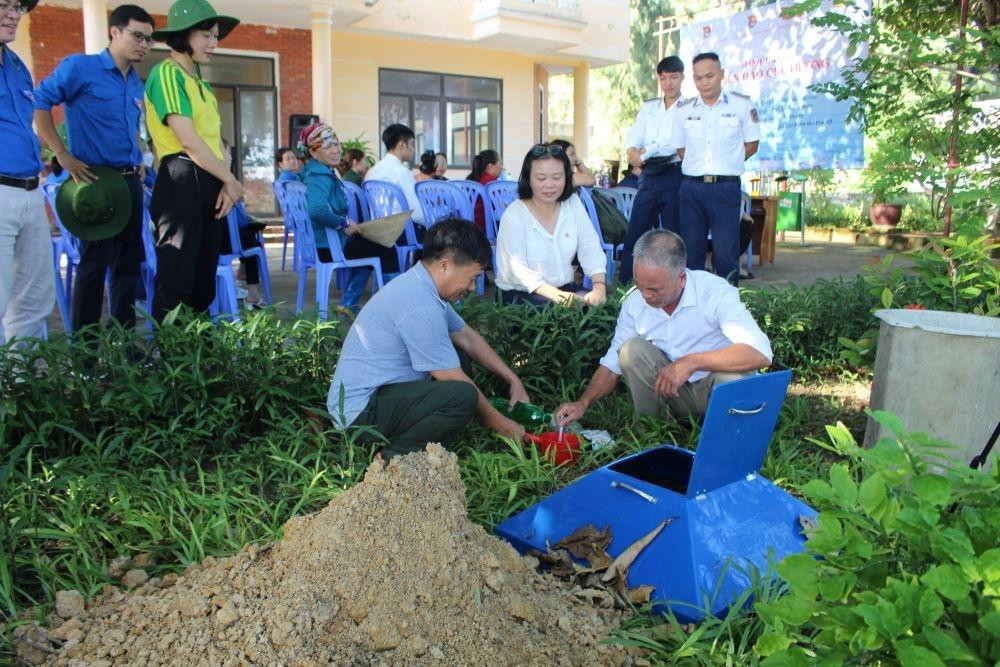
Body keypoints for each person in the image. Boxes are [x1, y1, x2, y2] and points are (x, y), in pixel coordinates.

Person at [327, 219, 530, 459]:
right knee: (463, 396)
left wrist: (513, 380)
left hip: (381, 395)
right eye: (471, 278)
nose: (473, 287)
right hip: (359, 416)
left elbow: (466, 337)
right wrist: (504, 426)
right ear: (445, 266)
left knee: (460, 359)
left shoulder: (422, 285)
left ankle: (419, 439)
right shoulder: (420, 304)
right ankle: (393, 458)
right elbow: (451, 378)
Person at [554, 229, 771, 426]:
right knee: (630, 350)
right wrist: (582, 403)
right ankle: (653, 428)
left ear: (682, 278)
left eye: (655, 289)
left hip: (714, 391)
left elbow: (760, 353)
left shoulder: (715, 293)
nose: (646, 295)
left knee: (732, 382)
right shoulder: (634, 303)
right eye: (639, 286)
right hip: (672, 394)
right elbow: (612, 365)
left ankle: (726, 434)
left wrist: (692, 362)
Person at [34, 4, 155, 334]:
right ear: (114, 32)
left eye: (149, 39)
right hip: (93, 183)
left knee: (128, 269)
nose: (144, 44)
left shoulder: (135, 84)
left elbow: (132, 127)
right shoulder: (80, 68)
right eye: (138, 36)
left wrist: (139, 155)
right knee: (92, 268)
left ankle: (123, 350)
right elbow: (39, 102)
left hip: (128, 183)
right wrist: (61, 154)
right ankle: (86, 359)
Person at [143, 0, 243, 322]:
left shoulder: (203, 84)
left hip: (209, 180)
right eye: (206, 35)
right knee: (176, 278)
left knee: (203, 281)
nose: (213, 44)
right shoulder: (167, 74)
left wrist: (225, 182)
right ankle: (172, 360)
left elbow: (215, 143)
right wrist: (230, 180)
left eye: (216, 36)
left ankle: (199, 356)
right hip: (181, 178)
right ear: (183, 35)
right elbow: (189, 141)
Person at [671, 52, 760, 286]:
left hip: (725, 187)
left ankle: (728, 309)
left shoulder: (741, 105)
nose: (704, 82)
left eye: (709, 76)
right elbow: (681, 149)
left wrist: (727, 163)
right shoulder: (684, 109)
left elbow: (752, 145)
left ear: (721, 75)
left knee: (726, 254)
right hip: (691, 189)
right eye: (698, 78)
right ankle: (693, 307)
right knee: (691, 254)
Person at [299, 122, 399, 312]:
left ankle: (349, 303)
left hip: (324, 244)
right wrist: (343, 223)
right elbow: (317, 210)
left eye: (336, 143)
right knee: (386, 246)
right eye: (327, 146)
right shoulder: (319, 176)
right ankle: (397, 305)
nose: (335, 149)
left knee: (369, 245)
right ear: (313, 152)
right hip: (330, 246)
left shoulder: (315, 172)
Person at [0, 0, 54, 345]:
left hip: (32, 191)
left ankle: (20, 392)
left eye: (18, 7)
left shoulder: (18, 65)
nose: (13, 14)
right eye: (3, 5)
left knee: (34, 301)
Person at [495, 144, 606, 307]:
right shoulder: (514, 215)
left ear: (567, 177)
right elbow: (517, 272)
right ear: (528, 178)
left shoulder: (573, 204)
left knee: (600, 313)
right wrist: (560, 297)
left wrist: (599, 287)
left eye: (557, 177)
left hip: (564, 290)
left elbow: (590, 247)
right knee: (564, 317)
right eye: (541, 178)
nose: (549, 184)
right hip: (522, 294)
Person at [618, 55, 686, 285]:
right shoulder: (650, 107)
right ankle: (626, 285)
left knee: (675, 235)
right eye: (664, 78)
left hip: (674, 172)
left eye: (673, 77)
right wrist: (631, 151)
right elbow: (635, 132)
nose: (668, 83)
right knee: (636, 231)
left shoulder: (689, 108)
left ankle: (676, 286)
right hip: (649, 175)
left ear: (682, 78)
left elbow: (673, 142)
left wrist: (642, 153)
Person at [365, 123, 425, 227]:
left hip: (379, 230)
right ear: (402, 145)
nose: (414, 150)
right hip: (403, 232)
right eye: (412, 144)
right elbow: (418, 215)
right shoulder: (402, 172)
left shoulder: (373, 171)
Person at [465, 148, 502, 230]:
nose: (501, 167)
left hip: (468, 226)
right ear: (490, 166)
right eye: (500, 163)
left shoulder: (471, 178)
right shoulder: (493, 184)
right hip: (486, 228)